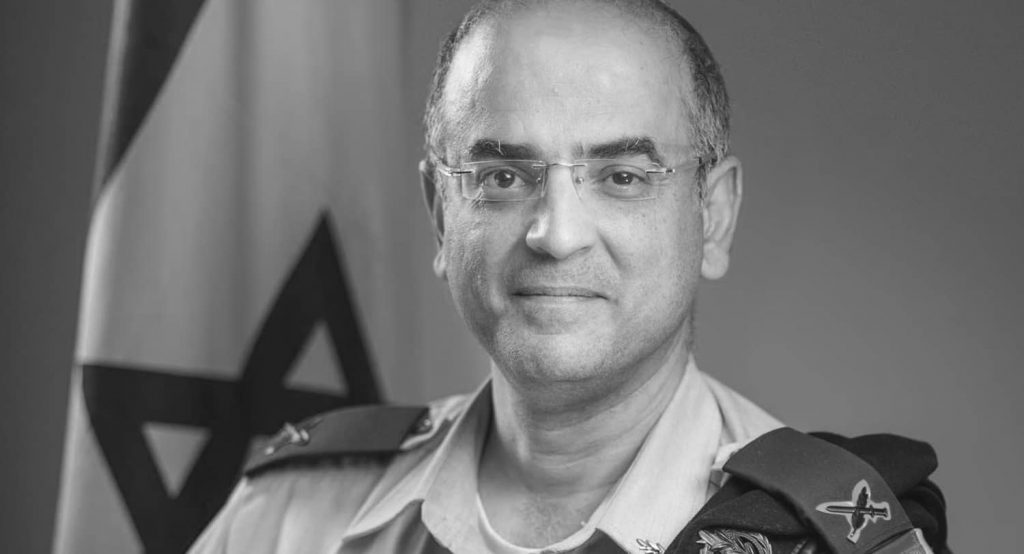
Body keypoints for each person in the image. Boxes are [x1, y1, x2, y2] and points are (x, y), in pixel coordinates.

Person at [189, 1, 949, 552]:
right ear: (441, 216)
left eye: (622, 177)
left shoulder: (825, 537)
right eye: (502, 176)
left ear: (712, 217)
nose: (555, 234)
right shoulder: (285, 519)